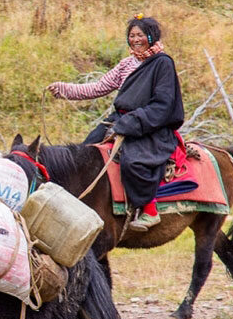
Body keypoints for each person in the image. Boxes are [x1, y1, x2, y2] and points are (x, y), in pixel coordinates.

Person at [47, 15, 184, 232]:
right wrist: (64, 89)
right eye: (131, 36)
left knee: (134, 161)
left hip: (149, 126)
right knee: (85, 152)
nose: (135, 39)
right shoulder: (126, 64)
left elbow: (163, 104)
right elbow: (98, 87)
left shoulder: (162, 63)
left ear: (151, 36)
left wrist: (135, 121)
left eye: (140, 35)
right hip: (120, 121)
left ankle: (149, 210)